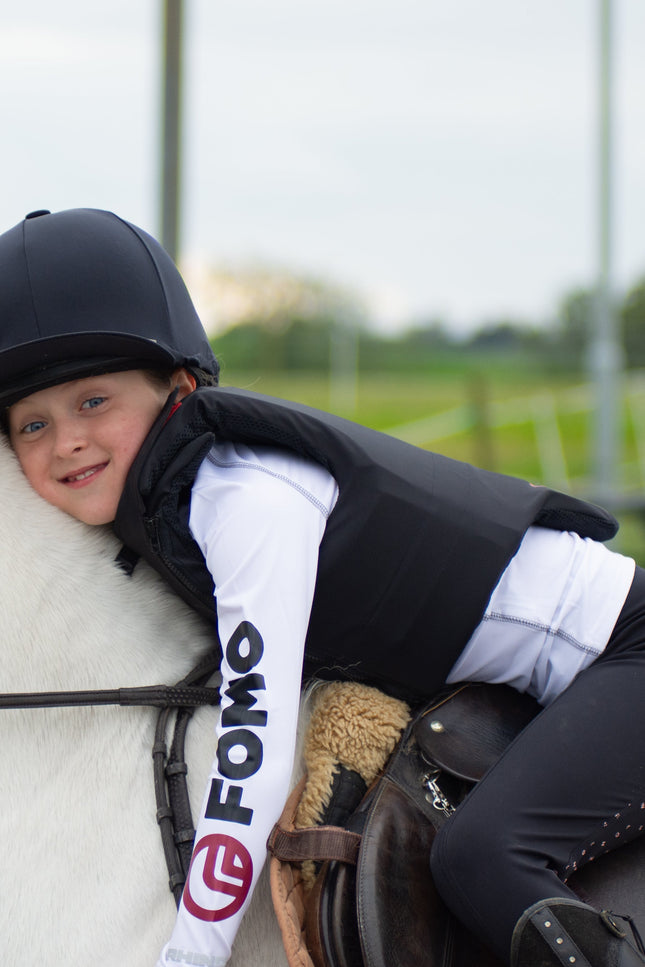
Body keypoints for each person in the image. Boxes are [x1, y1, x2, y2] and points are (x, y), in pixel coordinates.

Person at [0, 206, 643, 967]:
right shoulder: (163, 511)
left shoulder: (243, 500)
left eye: (93, 402)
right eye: (31, 425)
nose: (66, 439)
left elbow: (254, 749)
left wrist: (191, 952)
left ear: (179, 386)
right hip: (545, 676)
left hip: (623, 652)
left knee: (481, 856)